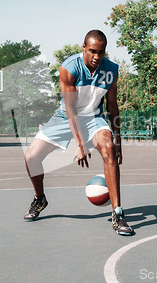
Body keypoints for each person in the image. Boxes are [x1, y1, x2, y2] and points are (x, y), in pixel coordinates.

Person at [23, 29, 134, 236]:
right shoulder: (69, 68)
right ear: (83, 47)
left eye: (101, 52)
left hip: (94, 118)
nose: (96, 57)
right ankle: (40, 198)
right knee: (31, 158)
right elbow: (71, 109)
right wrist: (80, 144)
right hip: (66, 117)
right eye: (92, 51)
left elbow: (112, 105)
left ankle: (118, 214)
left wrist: (118, 139)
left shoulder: (111, 70)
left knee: (109, 148)